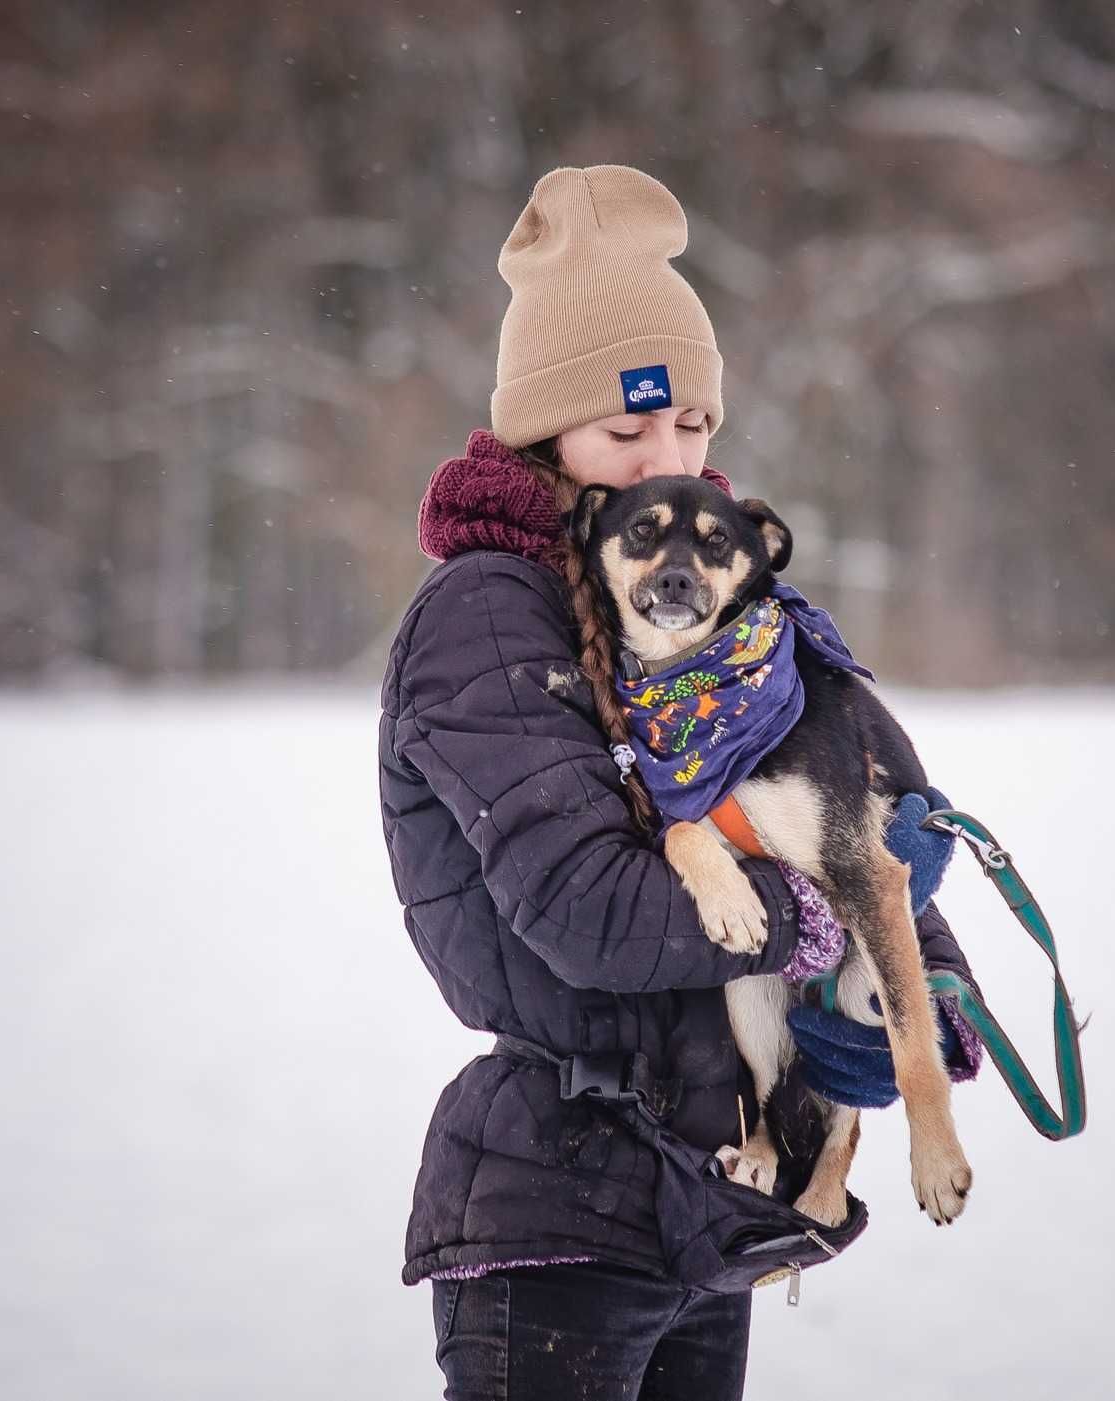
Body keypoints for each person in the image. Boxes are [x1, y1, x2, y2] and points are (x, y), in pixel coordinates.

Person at [378, 165, 982, 1401]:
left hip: (706, 1200)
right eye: (627, 430)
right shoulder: (489, 615)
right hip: (558, 1207)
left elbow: (834, 814)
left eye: (692, 425)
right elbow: (591, 912)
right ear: (545, 431)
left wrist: (922, 990)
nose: (671, 458)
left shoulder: (731, 622)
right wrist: (815, 919)